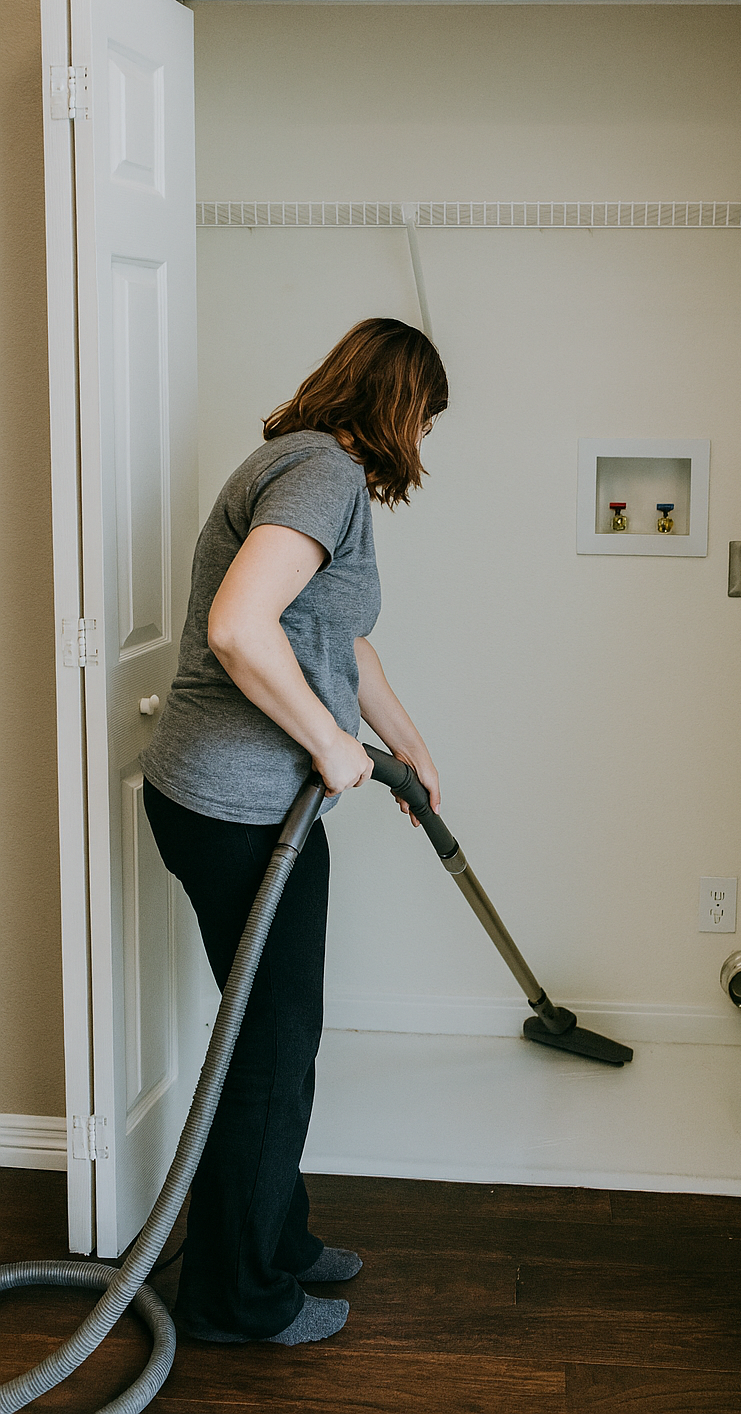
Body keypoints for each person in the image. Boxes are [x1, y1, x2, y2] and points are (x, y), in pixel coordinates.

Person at [141, 317, 448, 1345]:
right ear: (396, 405)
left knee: (280, 1038)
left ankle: (275, 1238)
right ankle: (236, 1299)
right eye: (426, 418)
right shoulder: (322, 476)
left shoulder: (304, 467)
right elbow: (239, 625)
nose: (425, 440)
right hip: (237, 809)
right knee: (268, 1051)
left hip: (242, 799)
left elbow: (340, 641)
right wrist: (329, 747)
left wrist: (411, 754)